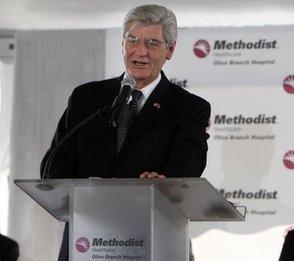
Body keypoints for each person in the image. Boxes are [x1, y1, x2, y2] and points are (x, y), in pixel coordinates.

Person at [40, 5, 210, 261]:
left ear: (170, 50)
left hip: (153, 238)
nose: (140, 51)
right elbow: (55, 166)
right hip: (86, 241)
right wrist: (86, 190)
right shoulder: (87, 98)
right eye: (133, 40)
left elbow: (188, 166)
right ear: (122, 43)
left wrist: (164, 182)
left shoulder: (189, 108)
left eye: (152, 43)